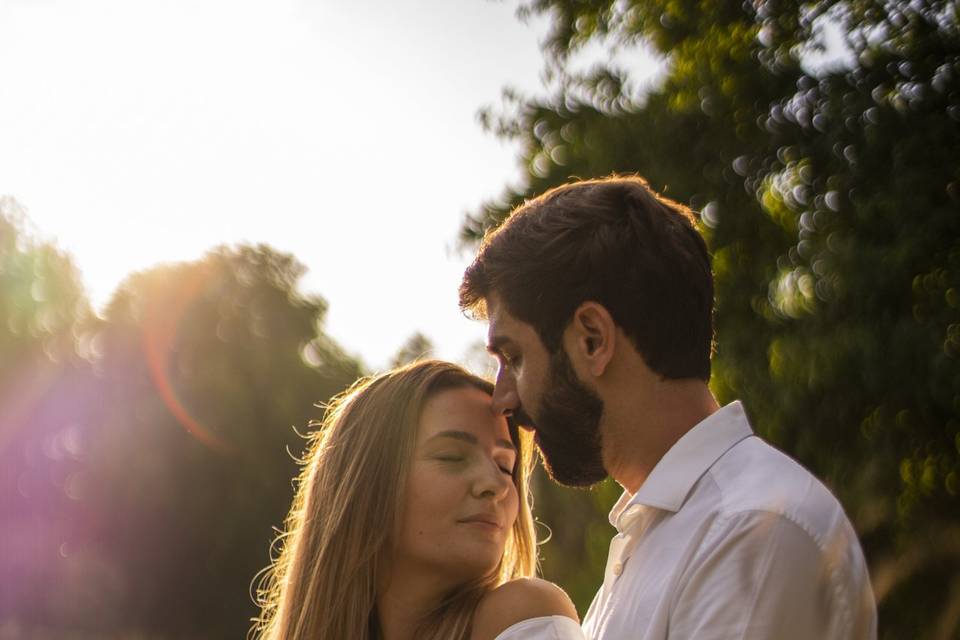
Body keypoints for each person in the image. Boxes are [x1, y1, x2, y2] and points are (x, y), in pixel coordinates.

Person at [459, 175, 878, 639]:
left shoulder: (751, 530)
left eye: (514, 357)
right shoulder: (665, 537)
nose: (503, 398)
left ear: (592, 339)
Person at [250, 359, 584, 640]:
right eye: (452, 457)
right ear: (365, 483)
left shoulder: (522, 613)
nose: (495, 484)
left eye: (504, 465)